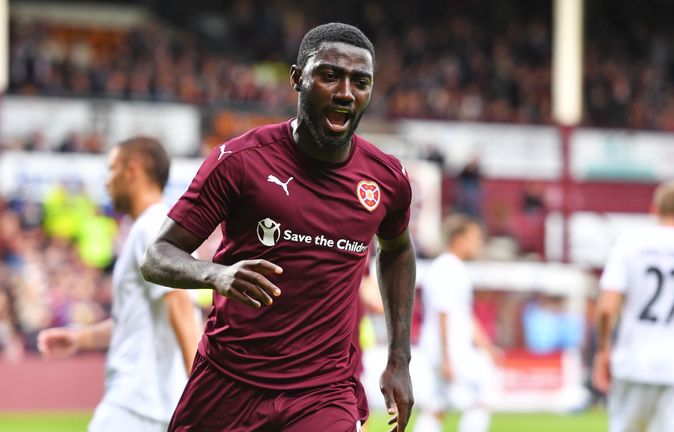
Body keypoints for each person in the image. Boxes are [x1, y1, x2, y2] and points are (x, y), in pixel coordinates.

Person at [140, 22, 416, 432]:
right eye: (329, 76)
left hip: (323, 395)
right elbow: (156, 256)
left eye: (360, 82)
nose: (345, 93)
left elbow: (397, 250)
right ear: (297, 78)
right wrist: (215, 275)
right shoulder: (239, 161)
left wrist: (399, 359)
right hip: (228, 384)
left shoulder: (385, 179)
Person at [37, 137, 201, 432]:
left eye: (112, 169)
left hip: (135, 404)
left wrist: (200, 388)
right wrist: (79, 339)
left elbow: (179, 303)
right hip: (152, 404)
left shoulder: (152, 227)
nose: (106, 180)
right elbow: (135, 319)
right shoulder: (158, 228)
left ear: (132, 171)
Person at [592, 180, 674, 432]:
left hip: (634, 361)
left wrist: (603, 351)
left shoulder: (629, 243)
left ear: (654, 209)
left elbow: (607, 308)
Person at [414, 214, 498, 432]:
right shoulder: (447, 269)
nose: (478, 244)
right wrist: (446, 358)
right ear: (459, 239)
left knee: (436, 406)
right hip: (450, 348)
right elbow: (443, 313)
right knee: (485, 390)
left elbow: (464, 314)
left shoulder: (450, 268)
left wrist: (486, 345)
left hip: (443, 347)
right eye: (475, 238)